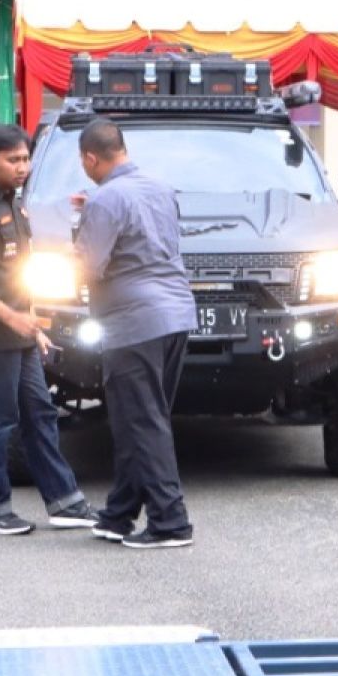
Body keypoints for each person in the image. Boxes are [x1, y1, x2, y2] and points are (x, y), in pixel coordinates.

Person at [0, 123, 99, 535]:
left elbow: (18, 272)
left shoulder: (13, 204)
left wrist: (33, 322)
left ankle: (64, 502)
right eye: (14, 160)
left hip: (20, 331)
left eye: (26, 159)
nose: (23, 167)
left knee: (40, 413)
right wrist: (12, 317)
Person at [73, 118, 197, 548]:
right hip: (176, 315)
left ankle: (171, 522)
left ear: (91, 158)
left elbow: (89, 266)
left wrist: (80, 233)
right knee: (141, 419)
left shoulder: (104, 200)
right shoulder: (160, 188)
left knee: (141, 422)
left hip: (133, 322)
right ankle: (119, 515)